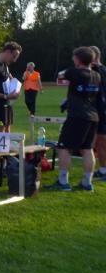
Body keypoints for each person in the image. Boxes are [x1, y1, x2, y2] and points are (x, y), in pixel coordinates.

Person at [52, 46, 101, 191]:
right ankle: (87, 183)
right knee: (87, 149)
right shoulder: (96, 75)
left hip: (77, 116)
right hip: (92, 116)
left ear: (78, 60)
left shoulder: (74, 72)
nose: (73, 59)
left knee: (64, 147)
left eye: (74, 57)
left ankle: (63, 182)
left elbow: (61, 75)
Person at [90, 46, 106, 181]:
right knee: (97, 143)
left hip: (101, 110)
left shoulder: (99, 70)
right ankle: (102, 170)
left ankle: (104, 171)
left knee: (101, 142)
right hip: (95, 110)